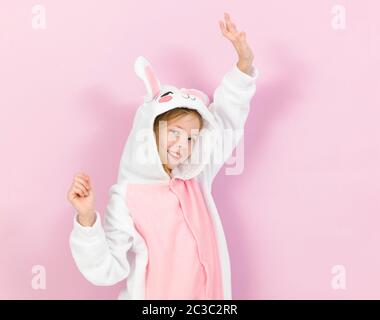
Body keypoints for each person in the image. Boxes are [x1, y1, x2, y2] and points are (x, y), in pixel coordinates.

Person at [67, 12, 259, 300]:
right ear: (150, 130)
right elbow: (107, 269)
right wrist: (86, 220)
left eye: (192, 137)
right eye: (175, 132)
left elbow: (228, 123)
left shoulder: (195, 178)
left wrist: (244, 64)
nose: (183, 144)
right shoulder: (128, 197)